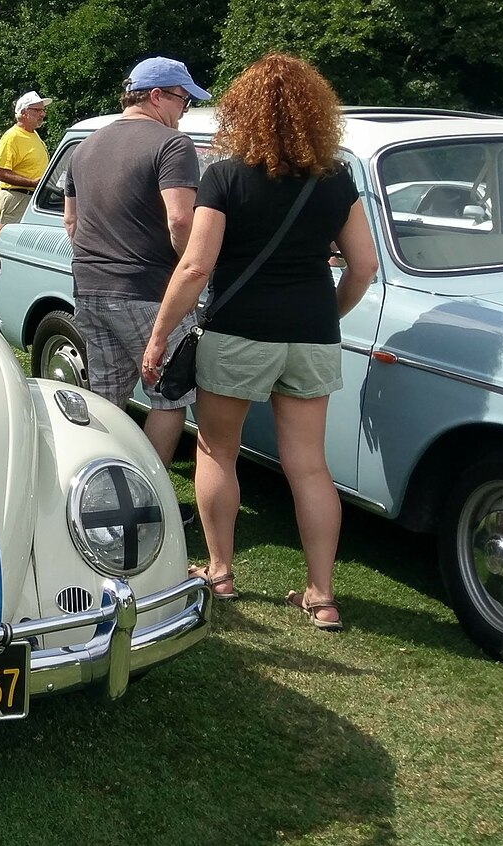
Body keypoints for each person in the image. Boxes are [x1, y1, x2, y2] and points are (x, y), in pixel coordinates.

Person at [140, 54, 378, 626]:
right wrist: (328, 317)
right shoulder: (335, 178)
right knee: (310, 466)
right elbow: (363, 266)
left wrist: (158, 335)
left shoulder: (224, 175)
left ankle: (219, 570)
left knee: (217, 449)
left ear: (242, 110)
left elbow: (195, 267)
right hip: (312, 335)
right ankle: (321, 594)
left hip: (238, 330)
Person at [63, 56, 211, 493]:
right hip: (148, 290)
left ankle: (96, 494)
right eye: (182, 100)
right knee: (171, 395)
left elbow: (71, 223)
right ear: (156, 96)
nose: (183, 112)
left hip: (89, 287)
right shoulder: (172, 145)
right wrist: (196, 269)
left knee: (105, 401)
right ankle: (150, 497)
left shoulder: (83, 147)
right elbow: (181, 221)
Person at [0, 91, 52, 227]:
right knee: (14, 245)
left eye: (43, 110)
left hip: (33, 199)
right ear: (24, 113)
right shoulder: (12, 137)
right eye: (37, 110)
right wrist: (32, 182)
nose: (42, 114)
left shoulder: (34, 134)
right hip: (17, 199)